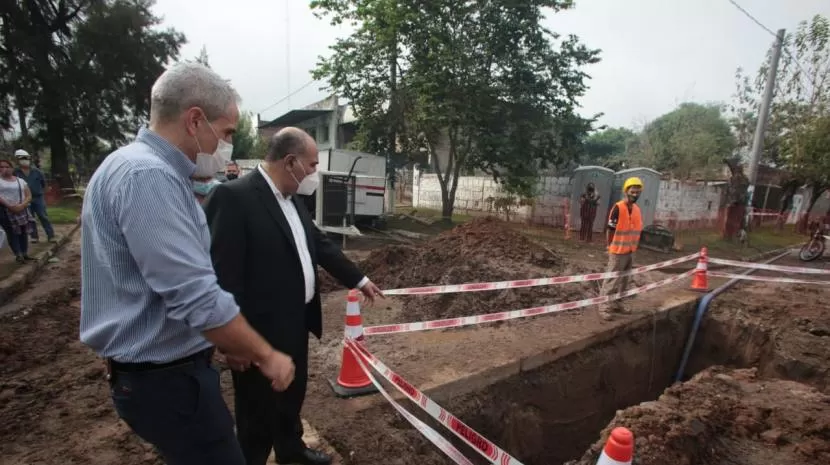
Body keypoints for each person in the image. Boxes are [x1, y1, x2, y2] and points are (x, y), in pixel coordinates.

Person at [79, 62, 295, 465]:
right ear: (195, 120)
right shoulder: (147, 177)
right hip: (168, 383)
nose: (226, 145)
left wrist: (223, 343)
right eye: (227, 133)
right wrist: (267, 354)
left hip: (158, 377)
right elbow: (194, 294)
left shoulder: (132, 167)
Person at [203, 127, 384, 465]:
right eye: (312, 165)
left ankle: (291, 450)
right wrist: (233, 344)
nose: (314, 173)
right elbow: (223, 277)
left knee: (292, 394)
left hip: (296, 322)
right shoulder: (234, 198)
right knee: (256, 412)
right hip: (256, 332)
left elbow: (319, 245)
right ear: (290, 162)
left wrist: (358, 279)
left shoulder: (292, 199)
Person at [597, 177, 644, 321]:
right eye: (632, 191)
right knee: (612, 279)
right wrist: (609, 246)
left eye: (637, 192)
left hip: (630, 250)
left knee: (624, 280)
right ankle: (604, 307)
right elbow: (610, 229)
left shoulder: (637, 209)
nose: (635, 194)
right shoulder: (618, 207)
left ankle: (618, 303)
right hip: (617, 251)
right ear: (626, 191)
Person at [13, 149, 55, 244]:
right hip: (25, 198)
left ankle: (51, 235)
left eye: (25, 158)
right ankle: (34, 236)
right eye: (21, 158)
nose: (24, 160)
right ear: (17, 159)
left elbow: (44, 184)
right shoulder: (16, 172)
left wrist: (44, 196)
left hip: (38, 197)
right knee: (30, 218)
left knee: (43, 216)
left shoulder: (37, 171)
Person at [0, 158, 34, 263]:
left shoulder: (20, 181)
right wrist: (10, 206)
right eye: (2, 167)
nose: (5, 169)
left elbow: (28, 195)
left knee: (23, 232)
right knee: (12, 233)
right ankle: (18, 254)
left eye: (7, 166)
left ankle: (24, 253)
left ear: (12, 168)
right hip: (6, 211)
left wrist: (22, 205)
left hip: (21, 209)